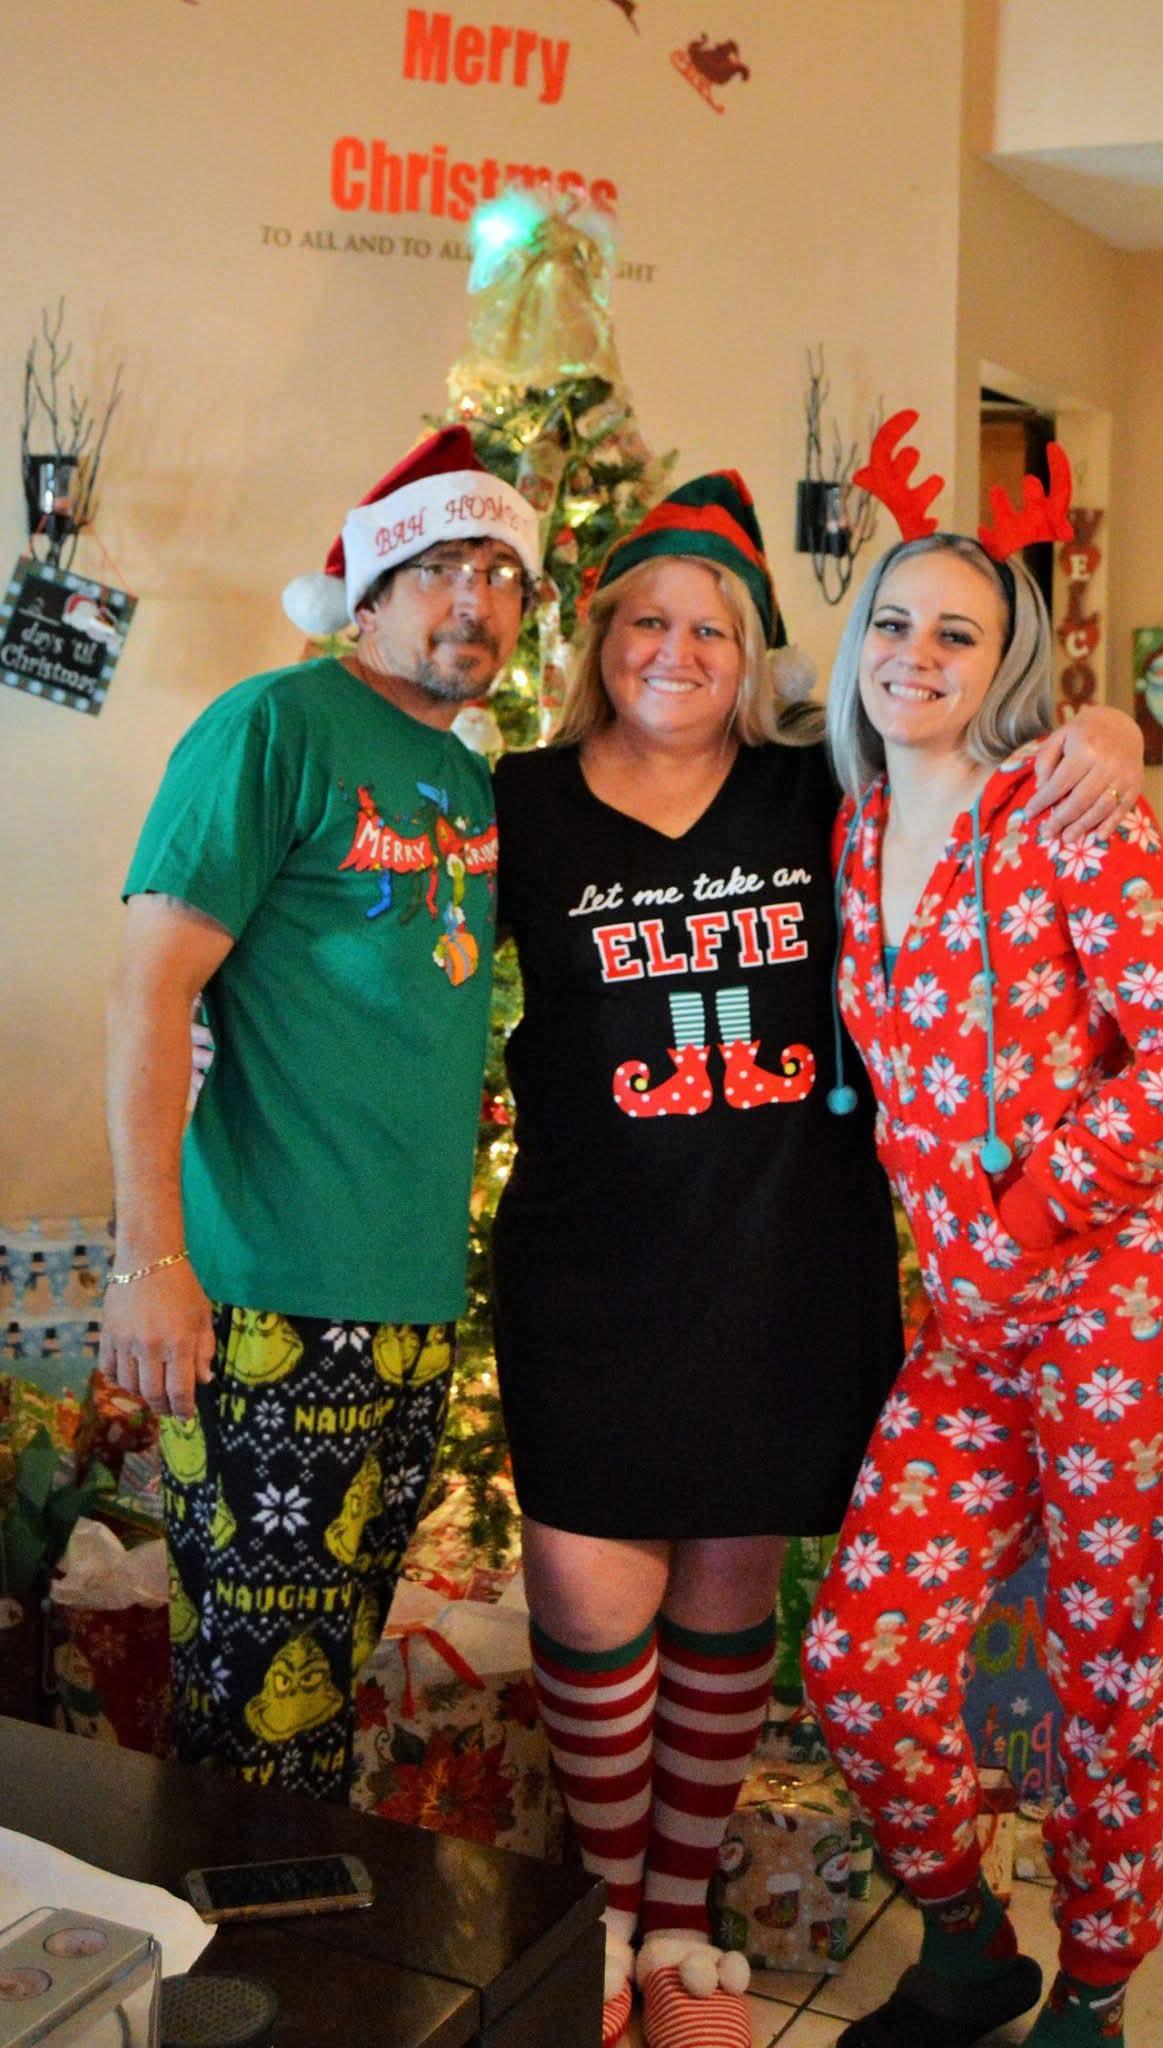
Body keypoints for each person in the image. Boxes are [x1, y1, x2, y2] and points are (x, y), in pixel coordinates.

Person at [488, 470, 1145, 2048]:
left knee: (727, 1610)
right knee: (589, 1607)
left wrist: (1108, 726)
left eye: (710, 626)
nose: (674, 649)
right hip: (589, 1270)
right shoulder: (513, 802)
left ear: (758, 653)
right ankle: (606, 1928)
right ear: (599, 636)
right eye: (645, 619)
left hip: (785, 1265)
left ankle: (678, 1935)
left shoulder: (818, 790)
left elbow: (978, 746)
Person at [803, 507, 1163, 2048]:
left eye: (956, 633)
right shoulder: (856, 830)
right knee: (858, 1658)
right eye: (890, 623)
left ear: (1005, 666)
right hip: (974, 1332)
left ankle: (1096, 1993)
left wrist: (1023, 1213)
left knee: (1111, 1669)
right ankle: (966, 1943)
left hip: (1131, 1311)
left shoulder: (1065, 814)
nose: (913, 655)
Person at [101, 427, 541, 1799]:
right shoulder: (273, 726)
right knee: (251, 1708)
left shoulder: (466, 776)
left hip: (406, 1304)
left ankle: (283, 1916)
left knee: (322, 1679)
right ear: (368, 590)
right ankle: (212, 1935)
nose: (473, 599)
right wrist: (150, 1259)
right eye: (441, 567)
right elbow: (150, 987)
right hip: (264, 1301)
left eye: (501, 573)